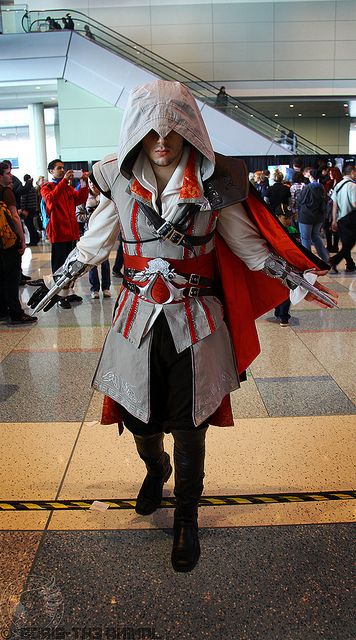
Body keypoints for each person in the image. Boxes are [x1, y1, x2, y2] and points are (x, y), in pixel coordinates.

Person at [28, 80, 337, 573]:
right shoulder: (118, 178)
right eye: (152, 133)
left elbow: (247, 246)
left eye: (173, 131)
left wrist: (294, 276)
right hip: (135, 320)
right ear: (137, 136)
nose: (163, 142)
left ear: (190, 131)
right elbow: (95, 241)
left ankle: (187, 515)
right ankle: (156, 468)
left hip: (197, 322)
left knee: (192, 423)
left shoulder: (217, 183)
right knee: (137, 419)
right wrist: (62, 278)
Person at [40, 160, 88, 308]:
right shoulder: (46, 187)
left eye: (63, 168)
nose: (62, 170)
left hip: (72, 232)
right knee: (59, 266)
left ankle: (69, 292)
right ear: (51, 171)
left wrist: (84, 183)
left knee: (71, 266)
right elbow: (50, 201)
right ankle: (59, 296)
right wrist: (64, 182)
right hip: (59, 233)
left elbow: (79, 198)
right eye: (58, 168)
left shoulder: (67, 187)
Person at [0, 162, 37, 324]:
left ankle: (2, 311)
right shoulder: (6, 192)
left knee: (1, 277)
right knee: (12, 278)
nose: (11, 176)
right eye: (8, 173)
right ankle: (16, 312)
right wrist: (22, 239)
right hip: (8, 241)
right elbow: (15, 217)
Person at [76, 176, 111, 299]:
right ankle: (94, 288)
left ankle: (106, 287)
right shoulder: (84, 198)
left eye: (95, 182)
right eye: (90, 182)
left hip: (105, 233)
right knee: (91, 263)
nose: (93, 185)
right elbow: (78, 216)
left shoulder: (106, 196)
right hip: (90, 232)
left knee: (105, 262)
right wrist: (91, 215)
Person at [273, 204, 299, 327]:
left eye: (290, 218)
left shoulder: (293, 231)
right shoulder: (272, 231)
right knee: (277, 289)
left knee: (286, 289)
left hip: (289, 266)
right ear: (277, 217)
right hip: (274, 265)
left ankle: (284, 316)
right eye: (285, 218)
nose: (288, 221)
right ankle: (278, 310)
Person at [297, 168, 329, 262]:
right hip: (318, 216)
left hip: (306, 216)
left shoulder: (307, 188)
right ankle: (326, 258)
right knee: (316, 236)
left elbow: (300, 200)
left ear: (310, 176)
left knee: (305, 238)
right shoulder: (322, 187)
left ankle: (308, 260)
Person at [329, 165, 356, 273]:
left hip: (341, 220)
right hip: (351, 220)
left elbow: (334, 205)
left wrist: (334, 220)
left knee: (346, 244)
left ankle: (350, 264)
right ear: (353, 172)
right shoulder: (352, 186)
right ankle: (333, 261)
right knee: (349, 244)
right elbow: (355, 204)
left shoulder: (338, 185)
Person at [20, 174, 40, 246]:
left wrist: (23, 209)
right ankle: (36, 238)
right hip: (33, 208)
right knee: (31, 225)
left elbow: (24, 200)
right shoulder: (33, 188)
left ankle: (33, 240)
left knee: (29, 225)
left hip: (27, 209)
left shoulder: (26, 188)